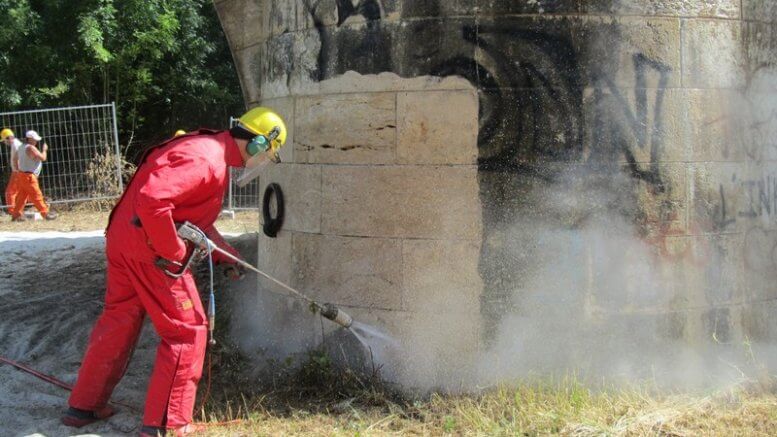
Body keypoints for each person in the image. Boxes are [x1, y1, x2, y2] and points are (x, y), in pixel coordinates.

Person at [61, 107, 287, 437]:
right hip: (150, 252)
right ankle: (166, 424)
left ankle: (83, 406)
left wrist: (227, 257)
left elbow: (196, 221)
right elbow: (153, 201)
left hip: (125, 241)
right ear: (255, 144)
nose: (261, 162)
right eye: (265, 153)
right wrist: (174, 252)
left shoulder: (209, 150)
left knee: (119, 320)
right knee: (187, 330)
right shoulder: (207, 160)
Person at [11, 130, 57, 221]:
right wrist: (44, 150)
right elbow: (43, 158)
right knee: (37, 195)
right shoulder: (31, 148)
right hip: (29, 176)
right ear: (30, 139)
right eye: (35, 139)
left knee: (22, 196)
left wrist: (17, 169)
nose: (36, 141)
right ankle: (46, 214)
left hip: (21, 174)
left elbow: (15, 159)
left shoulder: (21, 147)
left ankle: (16, 215)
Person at [1, 128, 22, 216]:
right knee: (24, 191)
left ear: (8, 138)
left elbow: (18, 158)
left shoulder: (15, 145)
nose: (5, 143)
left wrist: (17, 171)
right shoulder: (16, 144)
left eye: (5, 140)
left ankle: (13, 212)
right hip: (20, 171)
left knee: (10, 192)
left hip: (17, 171)